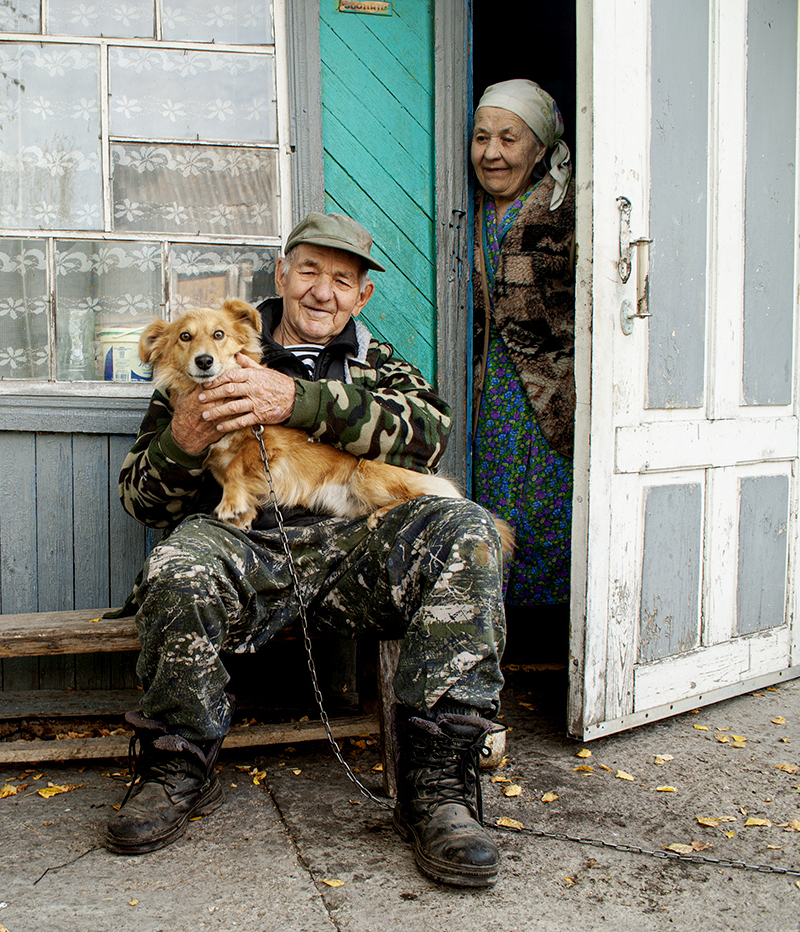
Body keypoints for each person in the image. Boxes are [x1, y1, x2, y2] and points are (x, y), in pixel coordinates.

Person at [107, 212, 509, 888]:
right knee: (176, 566)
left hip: (355, 542)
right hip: (245, 540)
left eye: (343, 280)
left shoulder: (378, 363)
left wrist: (300, 400)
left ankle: (437, 785)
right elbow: (141, 501)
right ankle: (175, 763)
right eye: (311, 273)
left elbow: (427, 439)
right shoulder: (208, 347)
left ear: (362, 297)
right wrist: (186, 437)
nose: (324, 292)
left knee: (463, 529)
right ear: (283, 276)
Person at [469, 79, 576, 619]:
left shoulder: (570, 205)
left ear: (538, 148)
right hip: (487, 389)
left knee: (549, 502)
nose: (492, 153)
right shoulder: (465, 210)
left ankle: (551, 627)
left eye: (509, 139)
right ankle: (492, 617)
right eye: (481, 137)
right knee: (492, 502)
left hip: (552, 389)